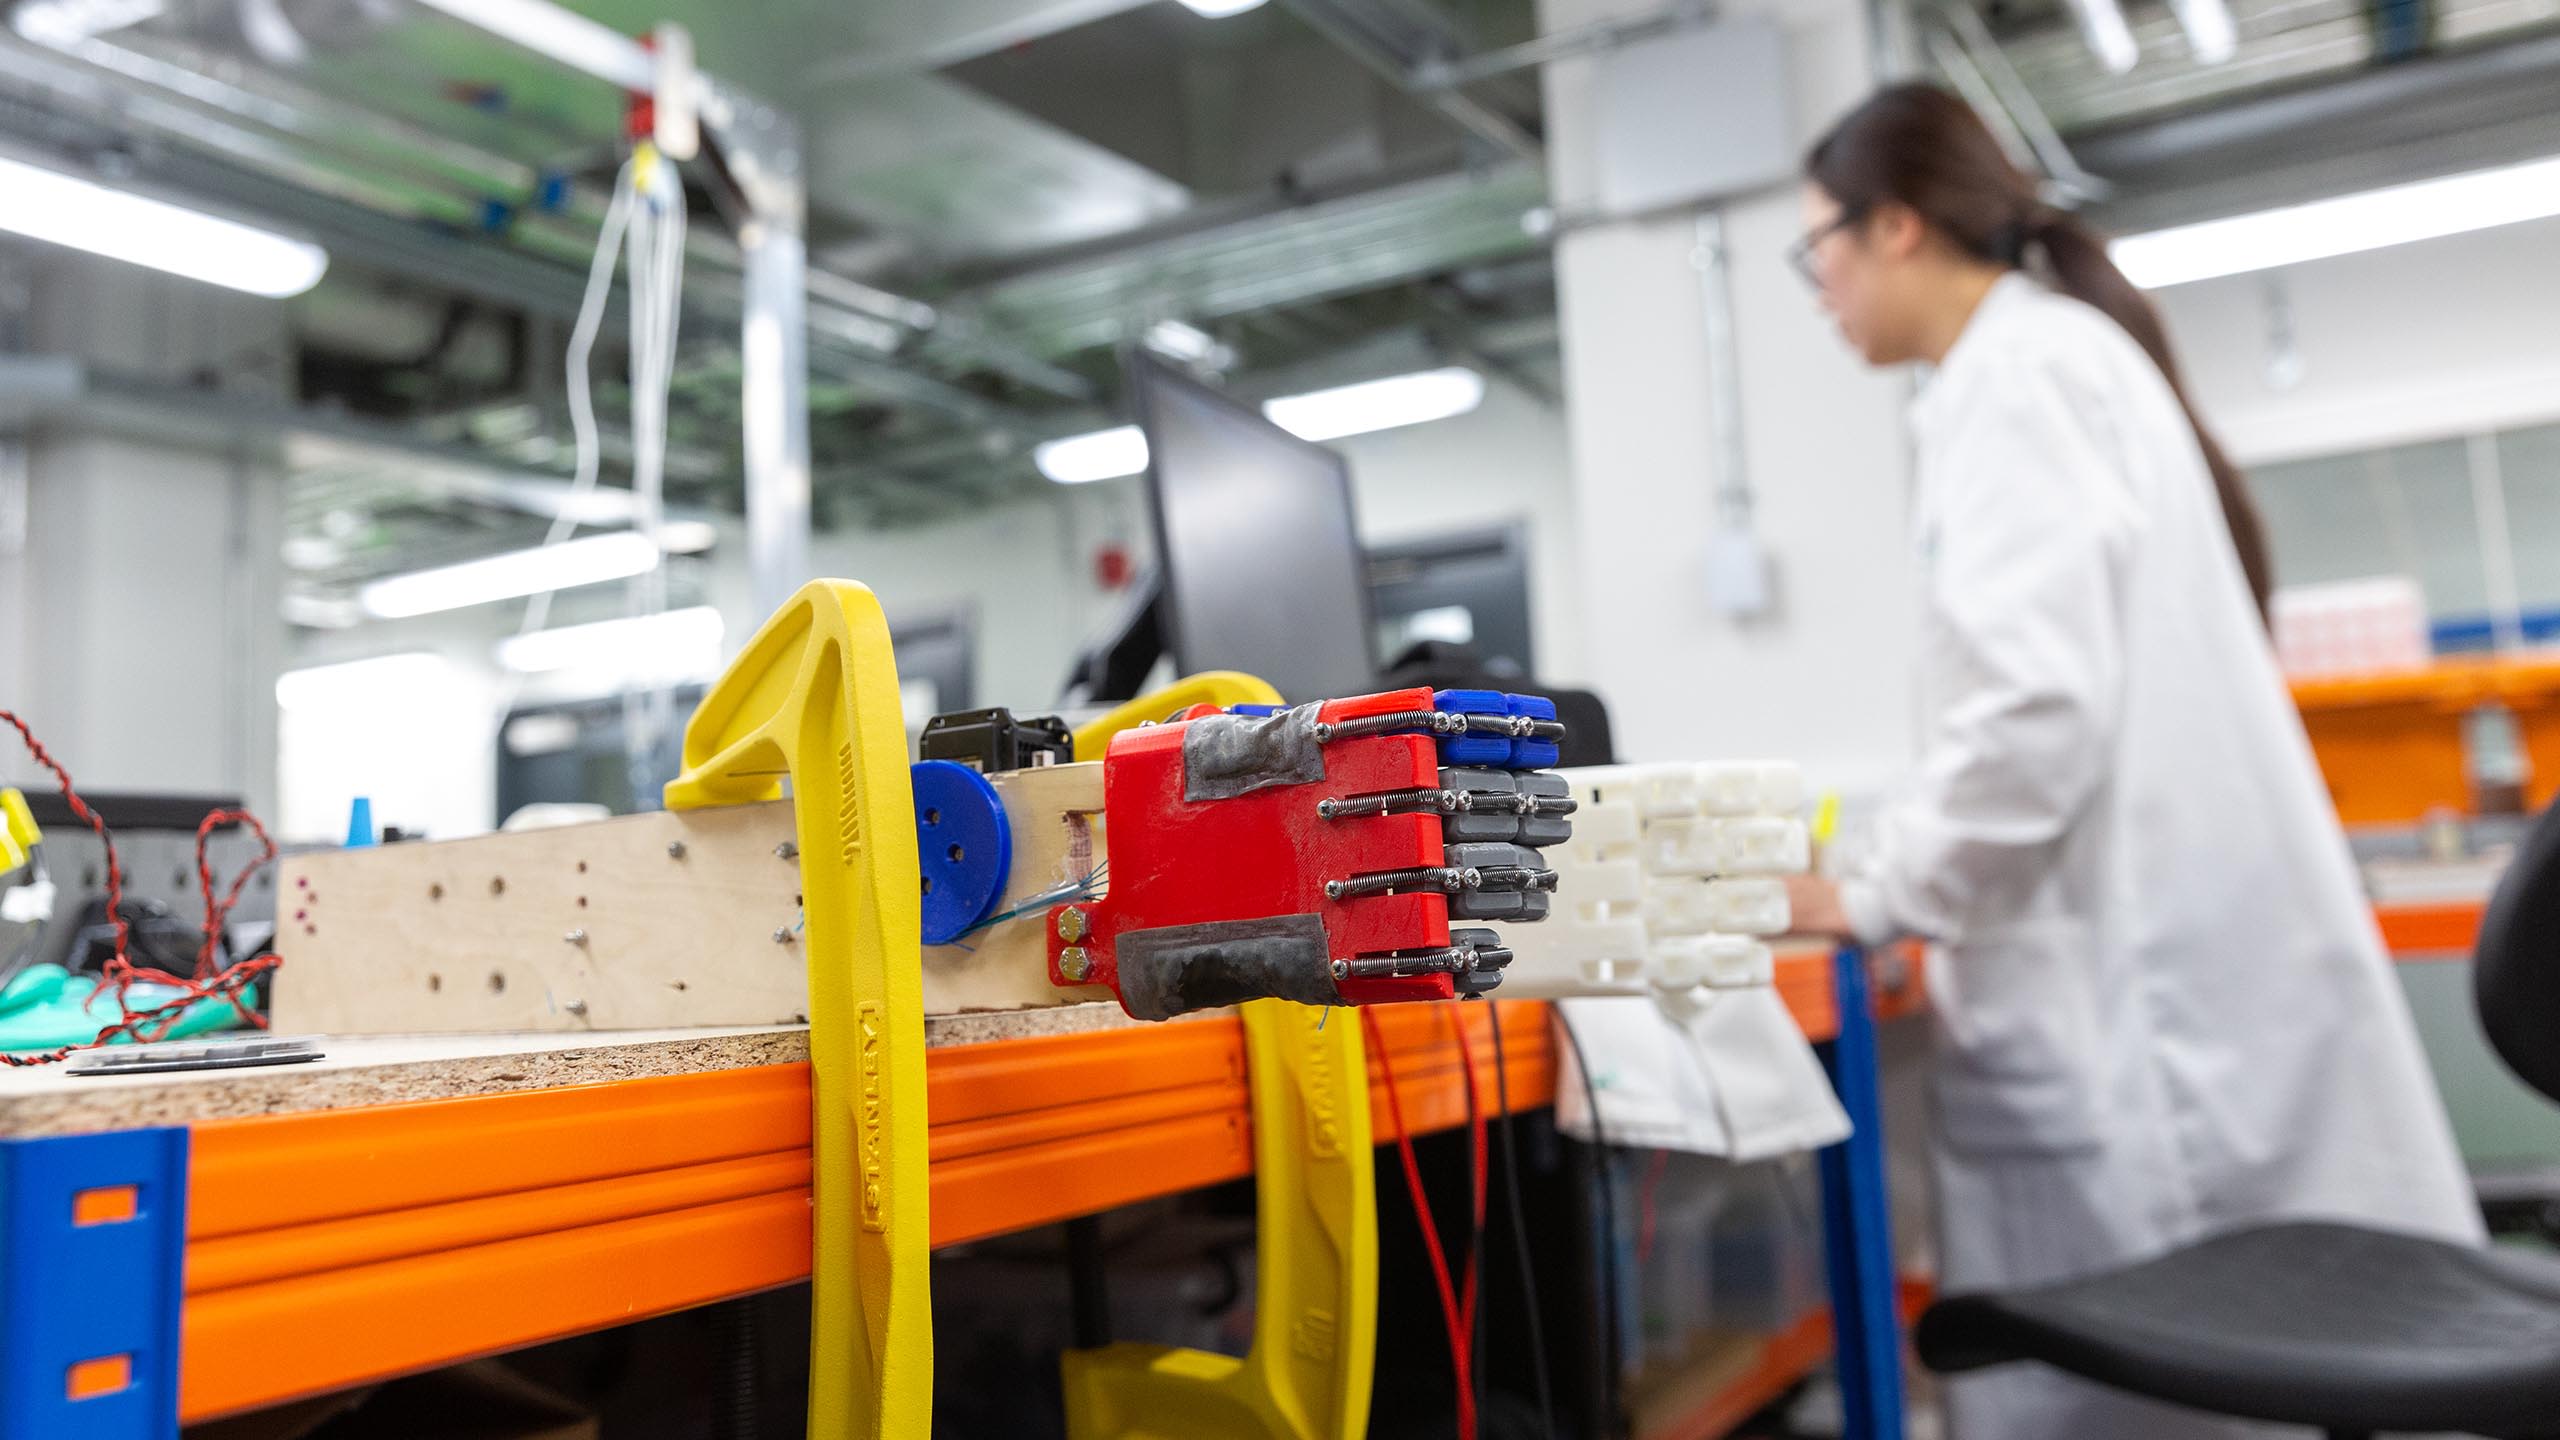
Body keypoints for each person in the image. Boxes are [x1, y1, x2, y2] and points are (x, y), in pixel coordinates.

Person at [1778, 84, 2482, 1439]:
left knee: (2166, 1379)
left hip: (2140, 1019)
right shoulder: (2046, 363)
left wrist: (1870, 891)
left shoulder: (2016, 380)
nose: (1819, 289)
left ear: (1900, 228)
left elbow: (2034, 718)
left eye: (1820, 248)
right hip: (2155, 980)